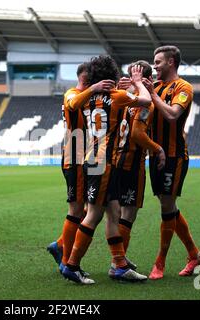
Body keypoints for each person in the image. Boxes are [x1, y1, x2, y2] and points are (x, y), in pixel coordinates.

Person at [61, 55, 151, 284]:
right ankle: (72, 265)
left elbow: (71, 104)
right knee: (95, 214)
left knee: (113, 213)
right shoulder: (118, 97)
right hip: (105, 162)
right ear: (111, 76)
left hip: (91, 158)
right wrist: (138, 82)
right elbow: (146, 101)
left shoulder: (87, 99)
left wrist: (92, 89)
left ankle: (119, 265)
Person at [142, 45, 200, 279]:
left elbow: (172, 114)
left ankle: (160, 262)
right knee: (168, 206)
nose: (154, 65)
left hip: (173, 156)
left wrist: (152, 95)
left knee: (166, 206)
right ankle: (195, 255)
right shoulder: (155, 87)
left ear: (171, 62)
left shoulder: (183, 87)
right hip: (155, 154)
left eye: (158, 61)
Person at [47, 63, 115, 273]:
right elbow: (73, 103)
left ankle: (59, 245)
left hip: (87, 157)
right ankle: (66, 260)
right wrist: (94, 89)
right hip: (74, 157)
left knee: (91, 208)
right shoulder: (73, 93)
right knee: (77, 210)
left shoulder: (89, 97)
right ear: (87, 80)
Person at [110, 61, 166, 276]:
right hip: (132, 163)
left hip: (114, 160)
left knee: (108, 213)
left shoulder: (122, 96)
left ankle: (118, 258)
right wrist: (157, 148)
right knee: (128, 214)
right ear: (148, 80)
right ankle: (118, 264)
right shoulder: (146, 103)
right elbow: (137, 135)